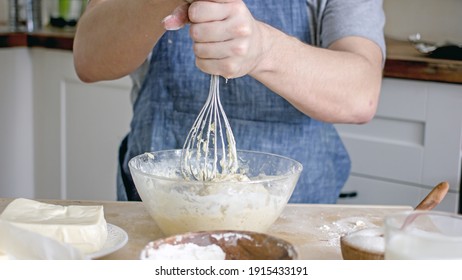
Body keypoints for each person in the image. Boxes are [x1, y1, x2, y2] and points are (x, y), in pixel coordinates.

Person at [73, 0, 385, 204]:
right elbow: (88, 59)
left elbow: (360, 95)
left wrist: (264, 49)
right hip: (158, 217)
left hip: (296, 218)